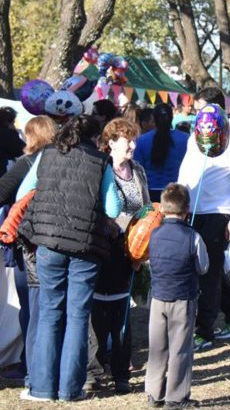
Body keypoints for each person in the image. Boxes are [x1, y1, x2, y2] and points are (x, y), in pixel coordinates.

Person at [16, 115, 122, 401]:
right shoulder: (101, 162)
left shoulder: (47, 155)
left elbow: (23, 191)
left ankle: (41, 387)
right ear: (95, 136)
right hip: (85, 247)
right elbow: (113, 208)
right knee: (77, 317)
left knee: (50, 313)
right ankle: (70, 389)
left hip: (48, 243)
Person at [177, 104, 230, 352]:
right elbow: (186, 169)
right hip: (193, 210)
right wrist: (179, 202)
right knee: (211, 269)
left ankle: (204, 331)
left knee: (208, 275)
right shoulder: (195, 135)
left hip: (219, 213)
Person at [91, 118, 149, 394]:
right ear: (112, 142)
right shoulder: (100, 169)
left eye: (135, 139)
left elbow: (146, 208)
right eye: (129, 140)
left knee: (123, 314)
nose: (134, 145)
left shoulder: (137, 171)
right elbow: (94, 209)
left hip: (131, 251)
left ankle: (121, 372)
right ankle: (97, 367)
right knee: (100, 314)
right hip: (104, 249)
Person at [0, 116, 57, 385]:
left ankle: (30, 365)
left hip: (29, 242)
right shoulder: (62, 161)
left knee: (30, 305)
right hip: (60, 240)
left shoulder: (26, 164)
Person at [145, 183, 209, 408]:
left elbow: (151, 263)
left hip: (158, 298)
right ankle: (176, 396)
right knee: (180, 348)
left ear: (162, 209)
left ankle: (153, 393)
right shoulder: (193, 237)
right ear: (187, 210)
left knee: (157, 347)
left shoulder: (154, 235)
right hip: (183, 298)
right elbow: (203, 267)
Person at [134, 103, 189, 202]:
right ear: (172, 118)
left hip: (149, 193)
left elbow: (137, 169)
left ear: (154, 119)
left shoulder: (141, 140)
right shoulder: (185, 139)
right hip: (175, 194)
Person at [0, 106, 25, 177]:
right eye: (13, 122)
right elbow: (21, 150)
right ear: (7, 122)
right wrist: (14, 132)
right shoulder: (7, 134)